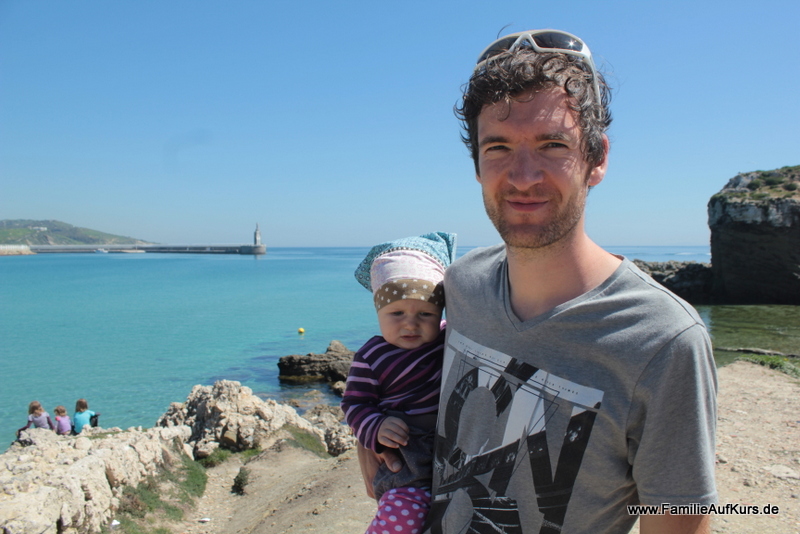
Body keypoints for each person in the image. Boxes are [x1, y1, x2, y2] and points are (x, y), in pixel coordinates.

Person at [361, 30, 717, 534]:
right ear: (477, 165)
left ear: (597, 159)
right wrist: (368, 433)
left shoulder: (663, 342)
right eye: (498, 147)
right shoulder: (461, 285)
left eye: (553, 145)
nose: (523, 175)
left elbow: (678, 518)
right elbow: (411, 374)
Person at [342, 232, 457, 534]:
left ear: (441, 313)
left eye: (425, 313)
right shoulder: (371, 357)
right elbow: (355, 404)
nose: (410, 323)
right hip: (406, 453)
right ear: (378, 312)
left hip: (451, 449)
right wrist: (376, 427)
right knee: (403, 517)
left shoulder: (447, 337)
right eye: (396, 313)